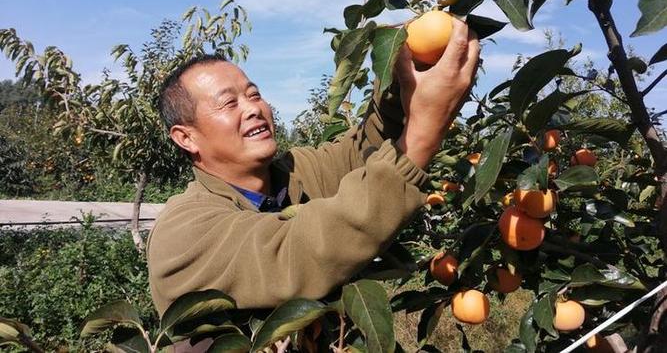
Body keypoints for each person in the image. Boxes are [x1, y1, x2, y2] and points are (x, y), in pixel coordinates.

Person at [146, 19, 480, 320]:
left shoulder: (293, 173)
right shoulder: (184, 230)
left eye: (254, 94)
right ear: (186, 138)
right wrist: (422, 135)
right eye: (229, 103)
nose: (253, 109)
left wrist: (403, 66)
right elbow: (297, 252)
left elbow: (364, 147)